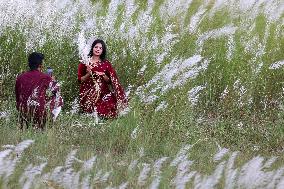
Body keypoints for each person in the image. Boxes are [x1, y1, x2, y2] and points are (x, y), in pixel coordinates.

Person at [77, 39, 127, 118]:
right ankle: (92, 112)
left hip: (103, 92)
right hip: (88, 92)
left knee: (111, 105)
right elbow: (80, 80)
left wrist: (103, 75)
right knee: (95, 109)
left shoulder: (106, 63)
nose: (98, 49)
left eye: (100, 48)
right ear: (92, 48)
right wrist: (88, 74)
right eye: (96, 47)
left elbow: (110, 81)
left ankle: (103, 115)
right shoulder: (85, 62)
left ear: (103, 51)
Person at [15, 52, 63, 129]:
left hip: (23, 112)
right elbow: (57, 91)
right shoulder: (45, 77)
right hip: (38, 112)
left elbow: (17, 99)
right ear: (41, 65)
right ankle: (48, 123)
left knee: (40, 99)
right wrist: (53, 81)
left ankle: (26, 124)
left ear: (29, 64)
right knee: (60, 99)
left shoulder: (20, 77)